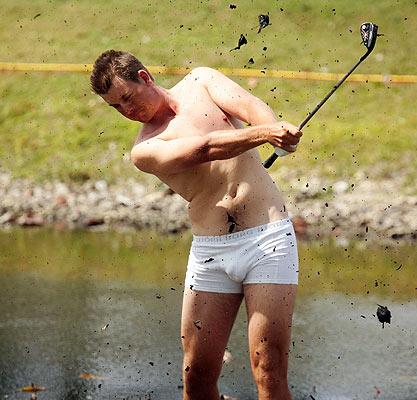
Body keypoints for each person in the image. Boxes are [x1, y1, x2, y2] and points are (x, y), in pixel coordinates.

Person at [90, 50, 302, 400]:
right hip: (211, 252)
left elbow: (252, 108)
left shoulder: (202, 80)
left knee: (268, 370)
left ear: (144, 78)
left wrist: (278, 132)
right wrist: (266, 134)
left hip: (268, 240)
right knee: (198, 378)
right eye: (116, 108)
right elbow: (205, 148)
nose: (126, 111)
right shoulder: (145, 149)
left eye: (126, 98)